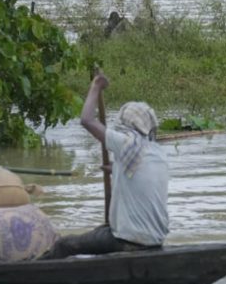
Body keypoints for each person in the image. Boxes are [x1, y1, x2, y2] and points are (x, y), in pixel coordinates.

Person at [41, 72, 169, 259]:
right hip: (155, 239)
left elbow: (87, 120)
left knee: (64, 245)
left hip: (127, 241)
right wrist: (114, 169)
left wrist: (96, 87)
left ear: (127, 124)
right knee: (101, 231)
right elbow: (140, 176)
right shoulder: (159, 154)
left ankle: (34, 270)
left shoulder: (127, 143)